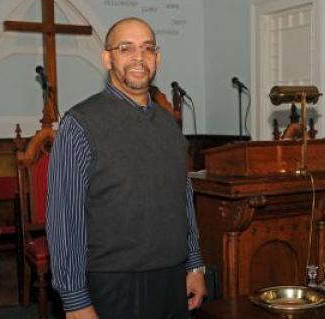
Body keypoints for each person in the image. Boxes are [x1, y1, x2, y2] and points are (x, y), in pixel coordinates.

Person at [46, 17, 207, 319]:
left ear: (157, 58)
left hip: (171, 279)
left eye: (147, 48)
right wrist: (75, 300)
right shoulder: (80, 123)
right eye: (126, 48)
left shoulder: (168, 124)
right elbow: (65, 217)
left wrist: (195, 265)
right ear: (107, 58)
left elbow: (183, 199)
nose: (139, 57)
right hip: (111, 282)